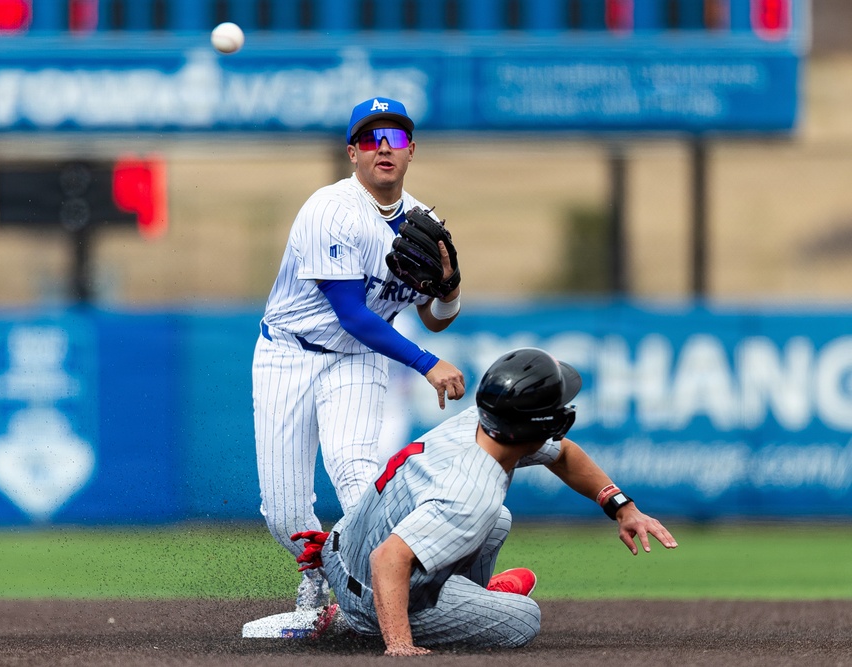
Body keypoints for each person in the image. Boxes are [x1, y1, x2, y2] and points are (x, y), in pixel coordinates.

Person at [293, 347, 678, 655]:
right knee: (523, 620)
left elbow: (563, 454)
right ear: (542, 425)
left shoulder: (480, 424)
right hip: (372, 584)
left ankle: (468, 600)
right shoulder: (470, 495)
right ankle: (360, 624)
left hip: (348, 544)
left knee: (498, 521)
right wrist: (399, 645)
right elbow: (389, 559)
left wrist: (622, 507)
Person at [252, 96, 467, 611]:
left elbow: (435, 317)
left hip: (357, 360)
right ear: (353, 153)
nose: (384, 148)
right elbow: (350, 312)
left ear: (411, 151)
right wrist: (426, 363)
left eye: (395, 138)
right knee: (282, 510)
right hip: (289, 354)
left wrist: (451, 286)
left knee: (356, 475)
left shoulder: (421, 221)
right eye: (372, 139)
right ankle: (317, 580)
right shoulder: (330, 211)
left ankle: (391, 593)